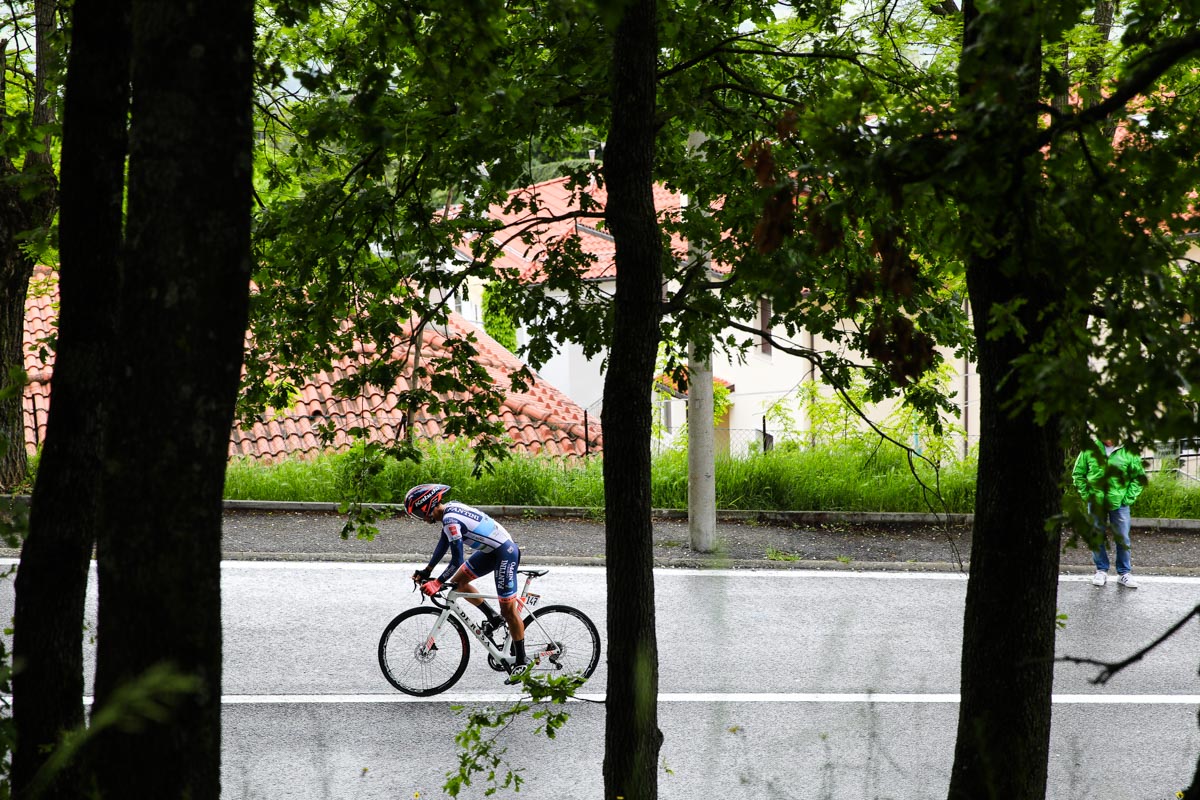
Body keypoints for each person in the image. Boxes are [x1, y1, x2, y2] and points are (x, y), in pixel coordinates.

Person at [405, 483, 528, 680]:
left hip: (505, 553)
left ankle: (521, 661)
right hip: (490, 552)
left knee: (508, 609)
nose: (421, 518)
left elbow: (457, 561)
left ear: (427, 506)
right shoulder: (448, 514)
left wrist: (437, 582)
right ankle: (493, 618)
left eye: (419, 513)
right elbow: (443, 543)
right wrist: (427, 570)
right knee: (459, 584)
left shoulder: (451, 521)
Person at [1072, 434, 1147, 589]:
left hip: (1119, 502)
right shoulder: (1089, 449)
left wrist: (1127, 499)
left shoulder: (1128, 451)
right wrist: (1087, 495)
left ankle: (1124, 573)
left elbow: (1138, 477)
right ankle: (1101, 570)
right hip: (1096, 502)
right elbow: (1078, 474)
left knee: (1122, 538)